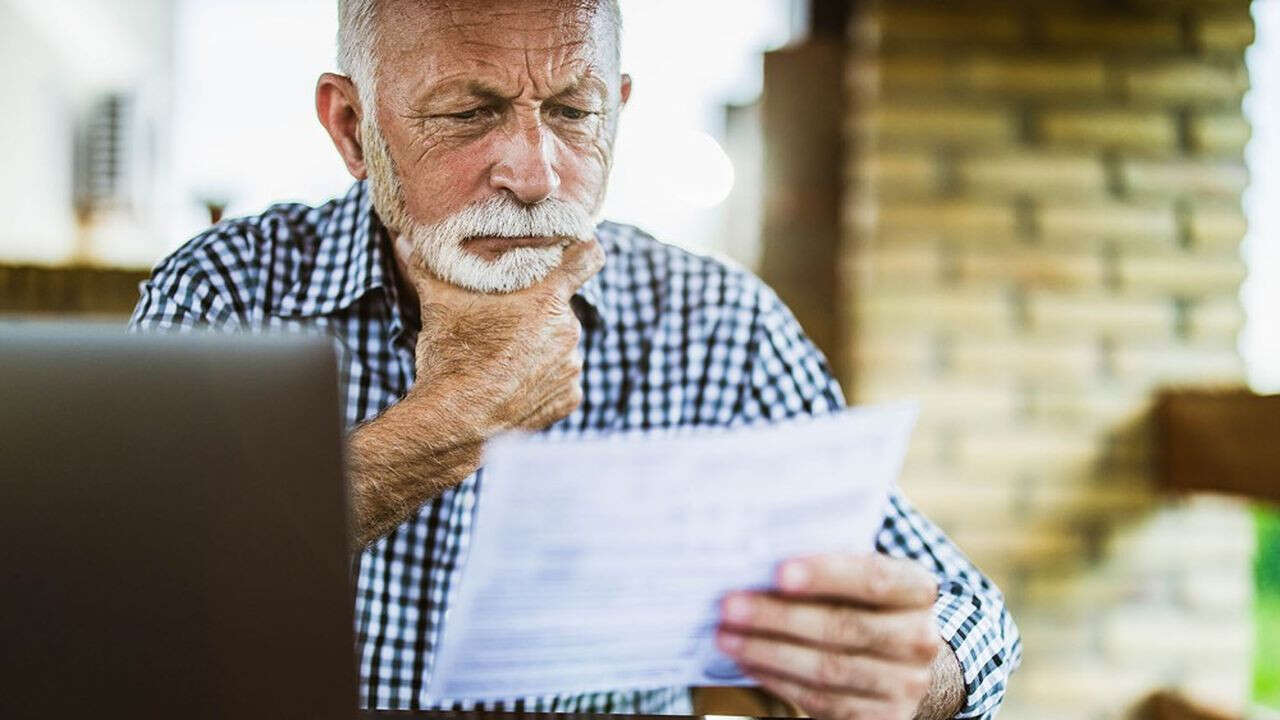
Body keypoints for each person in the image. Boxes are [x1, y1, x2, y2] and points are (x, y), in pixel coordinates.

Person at [130, 1, 1020, 718]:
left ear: (618, 110)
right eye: (469, 113)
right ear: (354, 127)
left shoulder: (714, 321)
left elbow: (970, 618)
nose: (534, 171)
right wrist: (460, 415)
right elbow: (128, 582)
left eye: (572, 111)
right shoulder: (231, 289)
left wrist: (909, 675)